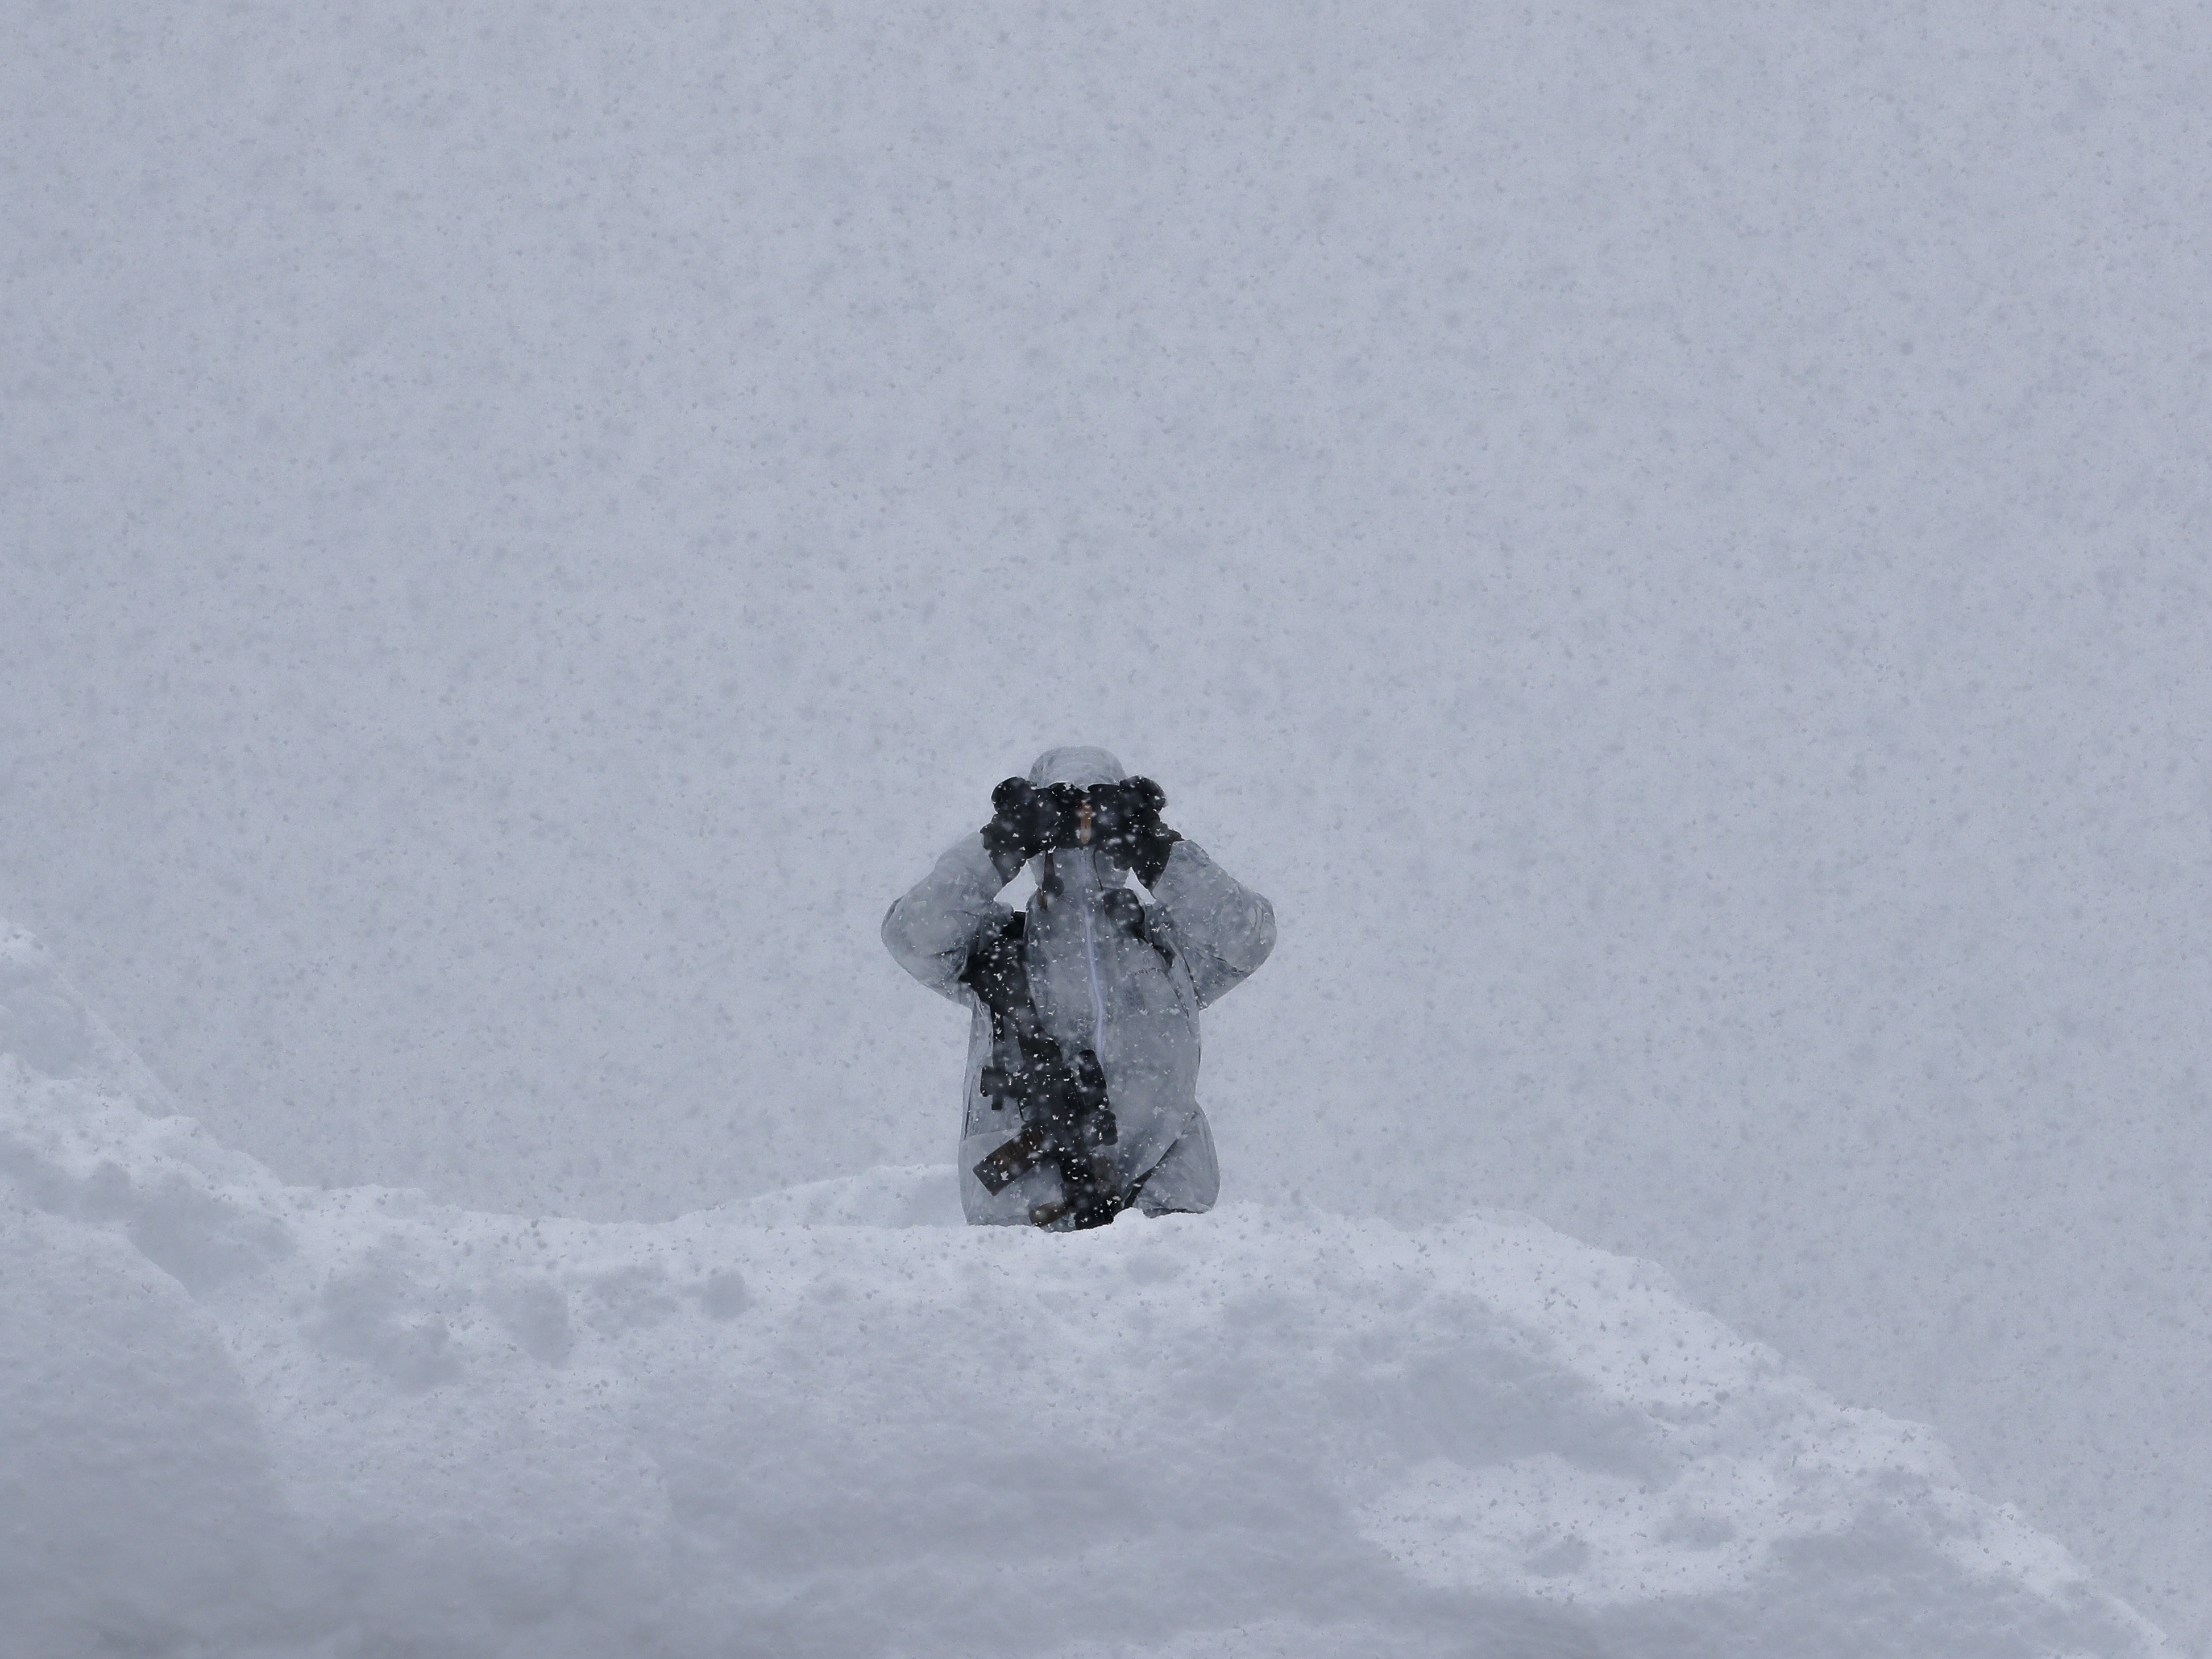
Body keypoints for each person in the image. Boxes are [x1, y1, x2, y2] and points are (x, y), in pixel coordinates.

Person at [882, 747, 1275, 1230]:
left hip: (1165, 1228)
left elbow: (1248, 937)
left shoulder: (1167, 949)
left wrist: (1160, 851)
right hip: (1025, 1224)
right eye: (1064, 815)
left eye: (1100, 812)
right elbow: (911, 934)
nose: (1083, 831)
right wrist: (1000, 845)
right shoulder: (999, 953)